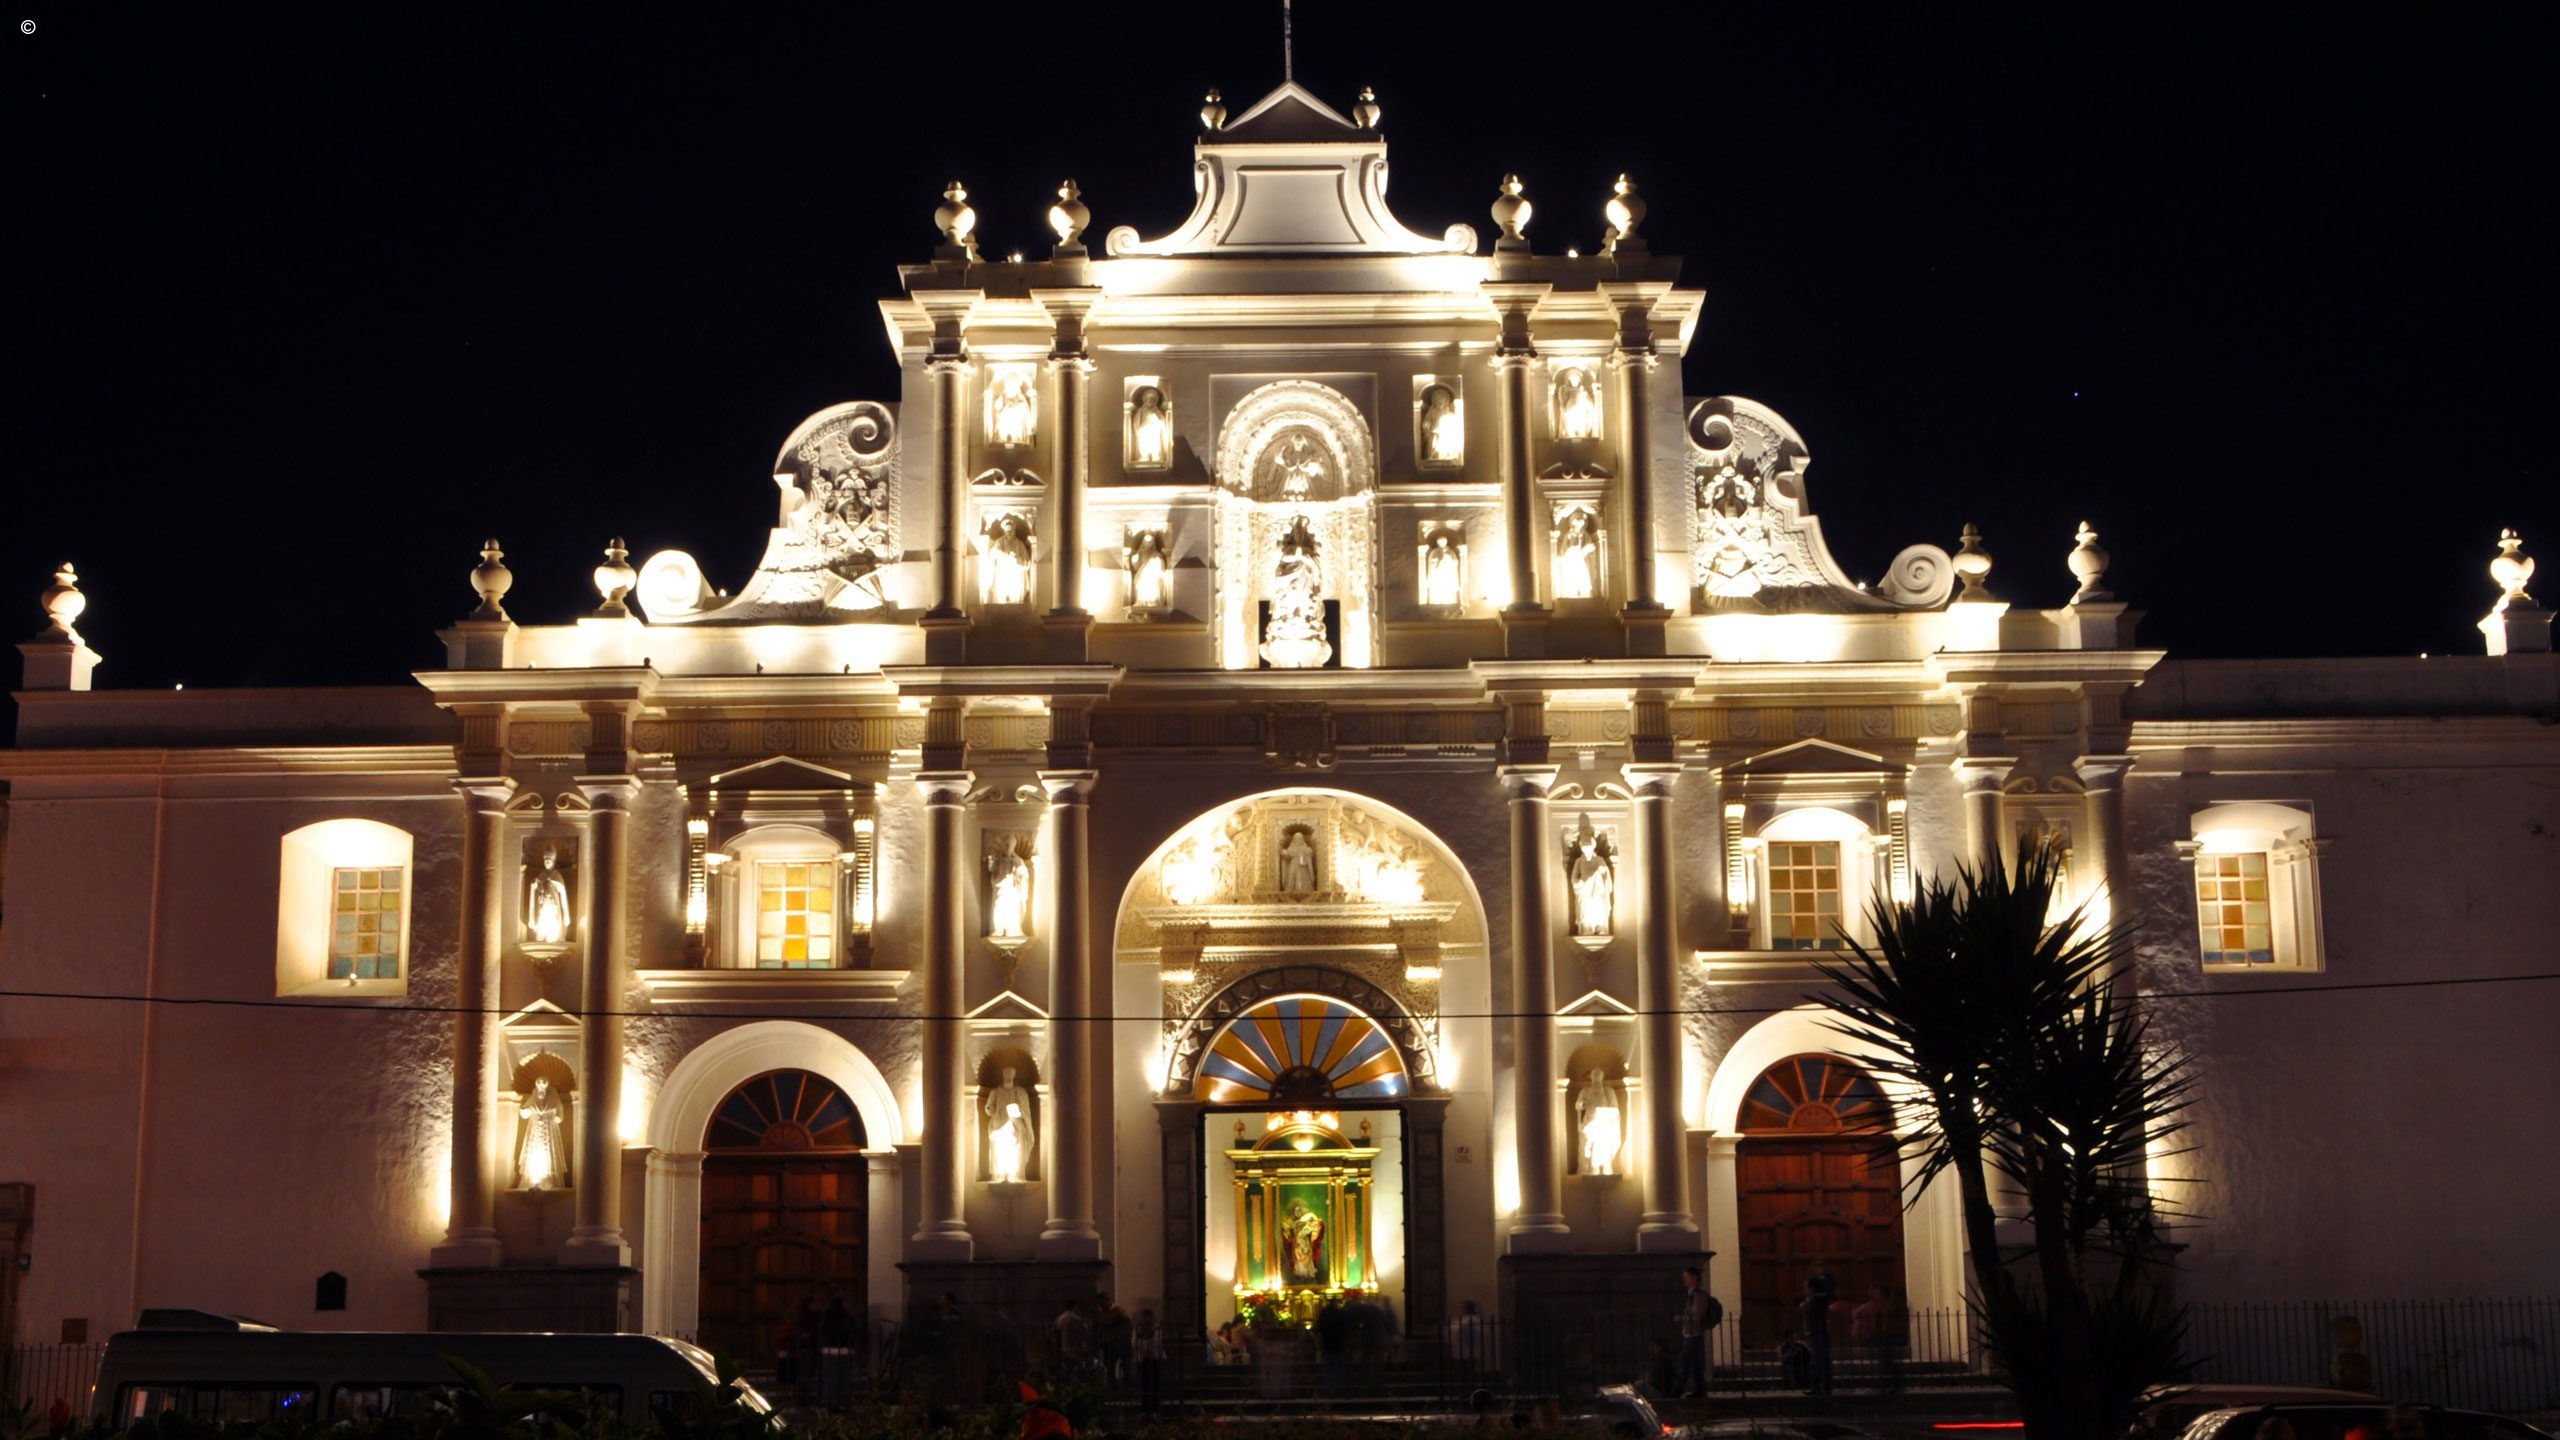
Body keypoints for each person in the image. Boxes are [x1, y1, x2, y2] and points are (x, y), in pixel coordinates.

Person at [1673, 1264, 1720, 1399]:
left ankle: (1679, 1390)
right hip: (1691, 1333)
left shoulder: (1698, 1295)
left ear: (1695, 1278)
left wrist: (1682, 1318)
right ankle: (1699, 1390)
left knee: (1686, 1362)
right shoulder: (1693, 1294)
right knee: (1695, 1364)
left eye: (1687, 1276)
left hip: (1694, 1334)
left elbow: (1698, 1315)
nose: (1685, 1279)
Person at [1801, 1262, 1837, 1395]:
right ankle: (1819, 1385)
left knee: (1819, 1360)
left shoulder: (1815, 1300)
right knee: (1817, 1360)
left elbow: (1806, 1311)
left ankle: (1821, 1386)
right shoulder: (1815, 1299)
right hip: (1816, 1332)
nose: (1805, 1291)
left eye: (1806, 1288)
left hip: (1818, 1332)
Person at [525, 845, 570, 945]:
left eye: (549, 860)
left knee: (553, 929)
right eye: (545, 860)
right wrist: (534, 886)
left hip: (554, 909)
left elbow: (562, 894)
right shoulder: (541, 876)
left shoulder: (557, 875)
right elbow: (536, 890)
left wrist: (555, 884)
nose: (546, 862)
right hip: (542, 909)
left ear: (553, 861)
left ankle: (555, 935)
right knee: (541, 928)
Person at [820, 1291, 858, 1407]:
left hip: (830, 1349)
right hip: (845, 1349)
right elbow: (854, 1330)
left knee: (831, 1377)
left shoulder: (827, 1317)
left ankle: (831, 1400)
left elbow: (823, 1330)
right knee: (846, 1376)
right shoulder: (847, 1317)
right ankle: (846, 1399)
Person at [1132, 1307, 1166, 1414]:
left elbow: (1156, 1344)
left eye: (1146, 1317)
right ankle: (1145, 1407)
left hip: (1154, 1359)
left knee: (1155, 1383)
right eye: (1142, 1317)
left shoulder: (1156, 1329)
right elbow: (1134, 1344)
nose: (1144, 1319)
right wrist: (1142, 1344)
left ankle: (1155, 1406)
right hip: (1142, 1359)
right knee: (1144, 1385)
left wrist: (1143, 1344)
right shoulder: (1138, 1330)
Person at [1055, 1297, 1094, 1379]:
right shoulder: (1077, 1319)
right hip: (1076, 1349)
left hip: (1063, 1349)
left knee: (1067, 1370)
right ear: (1075, 1306)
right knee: (1075, 1371)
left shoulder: (1060, 1319)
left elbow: (1056, 1333)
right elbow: (1085, 1333)